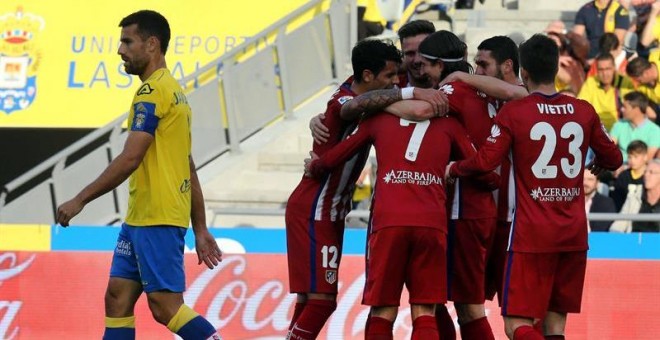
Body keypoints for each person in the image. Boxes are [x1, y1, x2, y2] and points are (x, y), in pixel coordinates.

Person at [55, 10, 222, 340]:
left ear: (152, 44)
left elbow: (131, 158)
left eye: (127, 41)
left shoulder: (152, 93)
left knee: (164, 306)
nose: (120, 50)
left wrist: (80, 199)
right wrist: (200, 227)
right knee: (117, 298)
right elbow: (187, 164)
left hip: (157, 217)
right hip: (139, 220)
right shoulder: (174, 92)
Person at [446, 34, 623, 339]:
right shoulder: (583, 110)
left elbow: (485, 162)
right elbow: (614, 156)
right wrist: (601, 163)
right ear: (556, 68)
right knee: (555, 325)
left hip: (531, 233)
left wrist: (453, 168)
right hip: (574, 233)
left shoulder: (514, 113)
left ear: (523, 72)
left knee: (518, 324)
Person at [304, 111, 499, 340]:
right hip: (431, 224)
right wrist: (455, 169)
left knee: (383, 311)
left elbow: (338, 154)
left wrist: (316, 166)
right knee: (425, 311)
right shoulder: (449, 124)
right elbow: (487, 176)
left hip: (389, 223)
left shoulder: (377, 119)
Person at [285, 39, 402, 340]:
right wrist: (407, 93)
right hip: (316, 208)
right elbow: (350, 108)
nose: (395, 82)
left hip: (324, 208)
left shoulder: (358, 88)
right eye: (389, 76)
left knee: (309, 300)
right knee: (323, 302)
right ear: (367, 75)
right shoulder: (345, 101)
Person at [578, 52, 634, 131]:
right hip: (595, 128)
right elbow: (581, 106)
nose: (605, 74)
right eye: (601, 70)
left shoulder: (625, 82)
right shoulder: (591, 82)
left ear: (614, 68)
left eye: (608, 69)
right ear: (597, 70)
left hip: (618, 128)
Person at [610, 91, 660, 162]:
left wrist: (625, 168)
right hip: (617, 166)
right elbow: (609, 149)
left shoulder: (655, 131)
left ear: (636, 109)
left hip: (640, 170)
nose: (621, 109)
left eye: (625, 107)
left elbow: (646, 159)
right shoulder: (619, 124)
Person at [397, 19, 436, 88]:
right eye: (410, 53)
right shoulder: (392, 84)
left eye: (423, 52)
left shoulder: (454, 82)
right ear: (403, 55)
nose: (417, 60)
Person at [611, 140, 649, 211]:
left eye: (635, 157)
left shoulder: (650, 176)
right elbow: (617, 199)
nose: (632, 160)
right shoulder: (623, 176)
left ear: (645, 157)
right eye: (629, 157)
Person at [633, 158, 660, 232]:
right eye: (645, 172)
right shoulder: (634, 196)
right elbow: (621, 222)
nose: (646, 175)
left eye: (651, 172)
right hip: (634, 240)